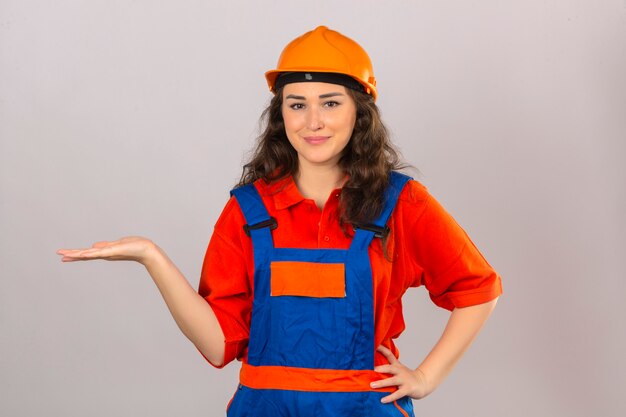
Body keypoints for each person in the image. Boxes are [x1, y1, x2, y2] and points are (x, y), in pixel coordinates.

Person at [57, 26, 502, 417]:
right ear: (280, 114)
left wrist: (425, 377)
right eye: (296, 104)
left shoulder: (399, 203)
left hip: (362, 409)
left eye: (330, 103)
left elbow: (477, 290)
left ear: (359, 112)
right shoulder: (249, 211)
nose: (313, 122)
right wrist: (150, 257)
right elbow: (218, 345)